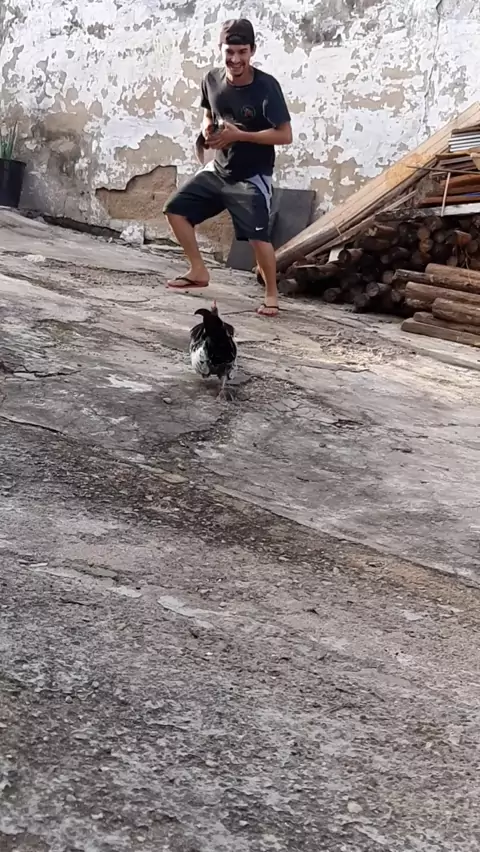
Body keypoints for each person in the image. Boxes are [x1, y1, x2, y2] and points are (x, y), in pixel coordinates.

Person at [163, 18, 292, 317]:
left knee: (258, 238)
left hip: (252, 175)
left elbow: (285, 135)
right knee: (175, 210)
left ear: (252, 51)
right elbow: (208, 113)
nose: (235, 59)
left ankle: (271, 295)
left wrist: (241, 136)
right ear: (220, 49)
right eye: (229, 52)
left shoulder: (267, 87)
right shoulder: (211, 79)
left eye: (242, 52)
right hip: (218, 170)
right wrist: (207, 128)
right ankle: (198, 270)